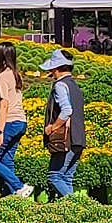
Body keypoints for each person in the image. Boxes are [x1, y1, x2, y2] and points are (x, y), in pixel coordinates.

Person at [0, 41, 34, 198]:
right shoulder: (14, 74)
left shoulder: (3, 76)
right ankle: (14, 195)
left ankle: (20, 186)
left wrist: (0, 131)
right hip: (21, 121)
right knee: (6, 160)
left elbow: (4, 104)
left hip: (10, 122)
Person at [41, 49, 86, 198]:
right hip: (79, 139)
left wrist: (52, 127)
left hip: (66, 140)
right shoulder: (74, 85)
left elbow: (67, 110)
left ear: (57, 68)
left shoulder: (60, 85)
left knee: (55, 176)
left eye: (52, 69)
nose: (51, 72)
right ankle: (73, 213)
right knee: (67, 177)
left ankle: (79, 207)